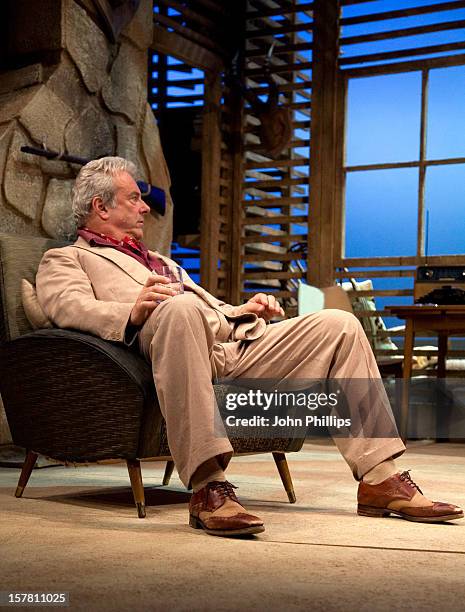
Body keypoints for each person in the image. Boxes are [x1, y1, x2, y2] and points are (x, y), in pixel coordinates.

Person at [36, 157, 463, 537]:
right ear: (101, 207)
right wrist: (131, 312)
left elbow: (209, 307)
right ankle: (209, 488)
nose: (146, 207)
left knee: (340, 324)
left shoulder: (162, 262)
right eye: (134, 198)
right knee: (181, 309)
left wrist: (243, 309)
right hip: (167, 344)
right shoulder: (67, 259)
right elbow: (66, 306)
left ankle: (380, 478)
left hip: (226, 346)